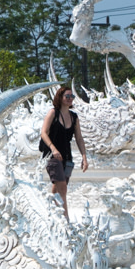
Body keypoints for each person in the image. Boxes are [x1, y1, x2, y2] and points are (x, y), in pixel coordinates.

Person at [38, 85, 88, 218]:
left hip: (67, 158)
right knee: (63, 189)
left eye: (72, 96)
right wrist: (53, 149)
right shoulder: (53, 113)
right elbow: (43, 133)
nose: (70, 99)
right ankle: (66, 222)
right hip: (53, 157)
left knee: (57, 190)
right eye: (67, 96)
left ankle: (47, 213)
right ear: (60, 97)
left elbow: (79, 138)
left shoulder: (74, 117)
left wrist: (84, 157)